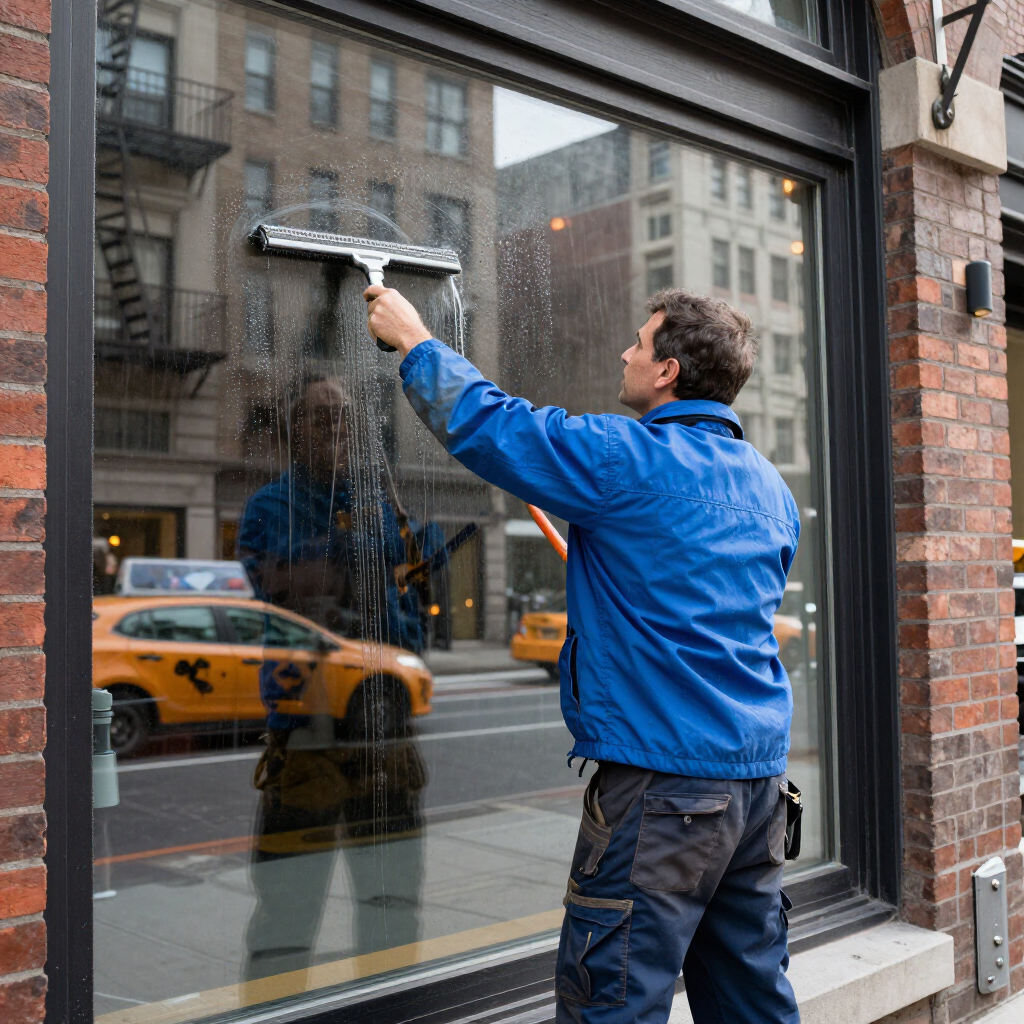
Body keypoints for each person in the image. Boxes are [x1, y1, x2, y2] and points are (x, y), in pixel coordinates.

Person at [364, 284, 801, 1024]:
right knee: (753, 1005)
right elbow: (706, 600)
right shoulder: (769, 488)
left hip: (667, 796)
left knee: (613, 1006)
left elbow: (495, 427)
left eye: (638, 341)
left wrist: (414, 341)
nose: (625, 352)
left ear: (667, 371)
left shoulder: (624, 458)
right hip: (756, 792)